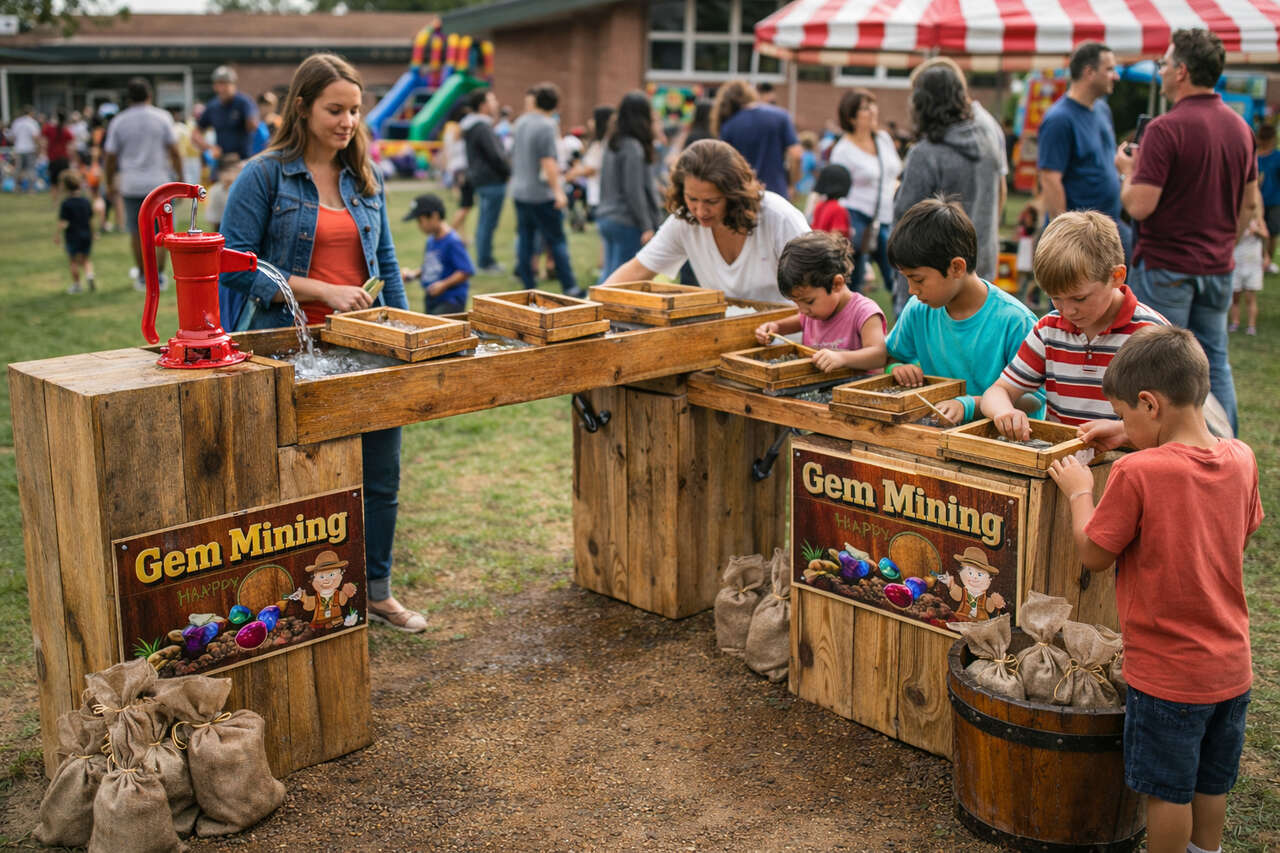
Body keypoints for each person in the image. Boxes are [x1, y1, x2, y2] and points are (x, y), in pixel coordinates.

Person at [218, 53, 424, 633]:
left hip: (365, 347)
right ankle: (294, 605)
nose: (347, 121)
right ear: (302, 108)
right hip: (285, 349)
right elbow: (230, 264)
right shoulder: (264, 174)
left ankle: (378, 592)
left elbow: (387, 263)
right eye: (336, 109)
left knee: (381, 475)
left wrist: (407, 337)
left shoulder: (366, 177)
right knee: (294, 484)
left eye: (355, 110)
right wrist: (318, 290)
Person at [1047, 325, 1261, 853]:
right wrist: (1130, 435)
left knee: (1167, 794)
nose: (1120, 425)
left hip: (1167, 677)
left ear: (1149, 402)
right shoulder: (1241, 457)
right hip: (1231, 669)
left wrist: (1079, 492)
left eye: (1122, 415)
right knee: (1210, 784)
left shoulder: (1138, 474)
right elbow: (1242, 528)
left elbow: (1095, 554)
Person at [1115, 28, 1257, 436]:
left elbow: (1139, 204)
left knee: (1161, 366)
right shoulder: (1240, 129)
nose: (1159, 70)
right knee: (1214, 362)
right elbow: (1249, 205)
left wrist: (1127, 171)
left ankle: (1175, 450)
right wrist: (1225, 245)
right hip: (1217, 268)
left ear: (1181, 71)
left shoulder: (1165, 129)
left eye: (1163, 63)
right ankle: (1225, 448)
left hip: (1167, 267)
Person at [980, 210, 1168, 444]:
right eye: (1055, 298)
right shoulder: (1049, 330)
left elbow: (1172, 423)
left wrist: (1123, 430)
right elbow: (997, 392)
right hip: (1065, 466)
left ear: (1117, 276)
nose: (1068, 311)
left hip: (1129, 469)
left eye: (1079, 299)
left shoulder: (1152, 335)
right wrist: (1004, 411)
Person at [884, 198, 1042, 426]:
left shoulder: (1016, 321)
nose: (911, 290)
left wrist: (969, 405)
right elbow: (892, 354)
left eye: (918, 279)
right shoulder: (918, 310)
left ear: (957, 267)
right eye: (906, 279)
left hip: (1004, 445)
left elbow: (1034, 401)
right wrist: (897, 368)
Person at [602, 139, 809, 304]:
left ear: (734, 195)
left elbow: (821, 285)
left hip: (789, 336)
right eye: (692, 199)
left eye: (712, 201)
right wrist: (587, 307)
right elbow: (638, 270)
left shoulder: (779, 216)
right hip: (726, 334)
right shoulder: (685, 221)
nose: (700, 211)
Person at [892, 66, 1003, 316]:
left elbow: (905, 220)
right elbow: (1001, 191)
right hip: (981, 262)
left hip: (933, 275)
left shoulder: (926, 153)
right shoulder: (989, 139)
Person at [1036, 42, 1128, 258]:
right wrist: (1063, 239)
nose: (1116, 76)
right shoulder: (1059, 119)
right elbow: (1050, 180)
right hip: (1079, 241)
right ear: (1089, 72)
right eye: (1109, 69)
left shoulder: (1103, 110)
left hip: (1106, 233)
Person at [753, 231, 886, 373]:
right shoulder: (813, 313)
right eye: (797, 304)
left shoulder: (864, 313)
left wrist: (842, 358)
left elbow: (879, 355)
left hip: (859, 392)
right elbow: (799, 320)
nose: (803, 310)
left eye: (809, 302)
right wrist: (776, 327)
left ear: (836, 284)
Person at [103, 77, 182, 291]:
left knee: (137, 233)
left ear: (128, 98)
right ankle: (160, 277)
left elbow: (110, 157)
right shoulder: (163, 117)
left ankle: (142, 277)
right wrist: (180, 179)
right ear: (150, 95)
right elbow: (175, 151)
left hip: (132, 185)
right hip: (160, 185)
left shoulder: (119, 121)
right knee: (163, 233)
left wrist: (109, 183)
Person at [510, 82, 582, 297]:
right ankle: (569, 285)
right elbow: (548, 162)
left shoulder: (520, 122)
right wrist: (559, 192)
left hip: (520, 191)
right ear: (556, 104)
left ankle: (527, 284)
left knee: (525, 238)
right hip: (541, 195)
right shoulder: (547, 125)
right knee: (556, 239)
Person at [829, 88, 902, 294]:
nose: (872, 111)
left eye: (873, 105)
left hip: (888, 218)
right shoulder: (843, 150)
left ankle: (904, 323)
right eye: (864, 108)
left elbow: (893, 174)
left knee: (897, 280)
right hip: (856, 218)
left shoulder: (883, 140)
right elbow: (837, 191)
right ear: (851, 117)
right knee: (854, 282)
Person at [595, 91, 663, 283]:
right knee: (619, 282)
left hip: (607, 217)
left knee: (608, 276)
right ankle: (592, 311)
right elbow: (634, 190)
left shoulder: (612, 142)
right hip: (626, 220)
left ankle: (591, 309)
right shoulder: (633, 147)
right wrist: (646, 225)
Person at [713, 80, 803, 198]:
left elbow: (723, 164)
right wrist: (792, 183)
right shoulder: (780, 116)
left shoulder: (728, 125)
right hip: (776, 191)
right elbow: (796, 154)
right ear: (751, 94)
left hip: (742, 194)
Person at [462, 88, 511, 274]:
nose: (495, 103)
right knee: (488, 223)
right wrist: (508, 171)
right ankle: (485, 261)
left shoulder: (471, 126)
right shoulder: (482, 127)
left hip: (481, 179)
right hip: (491, 180)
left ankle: (483, 259)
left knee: (484, 221)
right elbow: (496, 155)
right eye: (492, 100)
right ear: (483, 105)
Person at [401, 192, 474, 315]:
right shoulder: (431, 240)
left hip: (450, 302)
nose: (419, 226)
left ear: (434, 216)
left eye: (420, 220)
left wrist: (444, 285)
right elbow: (430, 266)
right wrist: (412, 275)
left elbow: (466, 271)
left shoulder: (452, 241)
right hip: (432, 299)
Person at [196, 65, 259, 170]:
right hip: (222, 162)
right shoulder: (213, 106)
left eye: (226, 84)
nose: (222, 88)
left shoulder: (244, 102)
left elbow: (254, 126)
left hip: (243, 160)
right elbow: (196, 133)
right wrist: (209, 147)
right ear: (214, 86)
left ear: (233, 85)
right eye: (219, 84)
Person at [55, 169, 95, 294]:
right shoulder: (85, 201)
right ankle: (89, 275)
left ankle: (77, 285)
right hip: (86, 234)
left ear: (65, 187)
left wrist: (57, 235)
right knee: (86, 259)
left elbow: (63, 223)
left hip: (73, 236)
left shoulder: (66, 203)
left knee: (73, 261)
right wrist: (93, 233)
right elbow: (90, 220)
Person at [1229, 206, 1265, 336]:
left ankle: (1251, 325)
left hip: (1253, 265)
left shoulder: (1258, 221)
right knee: (1235, 297)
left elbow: (1266, 234)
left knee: (1251, 298)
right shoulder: (1235, 220)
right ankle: (1235, 322)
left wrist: (1255, 230)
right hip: (1237, 263)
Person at [1254, 123, 1280, 272]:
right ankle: (1260, 259)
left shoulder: (1277, 156)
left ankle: (1267, 262)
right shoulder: (1253, 155)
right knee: (1256, 233)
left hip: (1274, 200)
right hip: (1256, 201)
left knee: (1272, 232)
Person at [807, 164, 852, 239]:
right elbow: (837, 238)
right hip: (829, 249)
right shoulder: (839, 210)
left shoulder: (820, 205)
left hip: (816, 246)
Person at [42, 111, 75, 200]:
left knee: (54, 182)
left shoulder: (49, 129)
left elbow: (44, 140)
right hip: (64, 158)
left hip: (53, 159)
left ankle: (55, 201)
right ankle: (65, 199)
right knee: (66, 181)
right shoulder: (66, 130)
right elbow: (71, 145)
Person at [10, 105, 41, 193]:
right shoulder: (32, 122)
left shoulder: (17, 122)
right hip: (30, 149)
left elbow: (12, 137)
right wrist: (38, 148)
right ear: (31, 113)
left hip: (19, 149)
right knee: (31, 169)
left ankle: (17, 188)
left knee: (18, 170)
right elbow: (35, 137)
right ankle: (31, 189)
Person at [250, 91, 282, 155]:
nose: (265, 107)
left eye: (268, 105)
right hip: (253, 155)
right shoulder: (252, 121)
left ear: (274, 106)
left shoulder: (279, 122)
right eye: (262, 104)